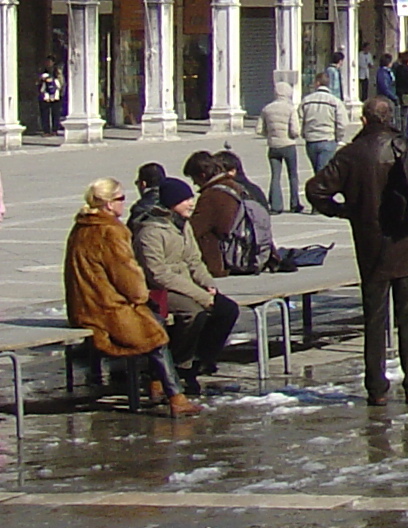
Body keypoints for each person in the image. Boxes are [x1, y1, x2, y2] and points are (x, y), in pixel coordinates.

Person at [305, 98, 408, 406]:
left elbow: (315, 189)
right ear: (390, 118)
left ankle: (376, 387)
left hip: (372, 244)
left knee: (375, 318)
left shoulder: (351, 154)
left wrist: (343, 210)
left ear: (364, 120)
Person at [64, 178, 198, 414]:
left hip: (83, 305)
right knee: (155, 331)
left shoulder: (81, 226)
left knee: (154, 322)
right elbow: (127, 276)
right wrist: (140, 297)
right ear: (107, 204)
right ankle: (175, 396)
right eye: (120, 199)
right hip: (105, 307)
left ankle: (159, 384)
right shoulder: (111, 231)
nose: (124, 204)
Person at [132, 176, 239, 395]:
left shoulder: (183, 225)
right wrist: (200, 295)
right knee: (194, 312)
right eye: (185, 200)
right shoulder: (150, 231)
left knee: (227, 310)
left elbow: (194, 261)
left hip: (186, 285)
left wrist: (209, 286)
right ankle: (180, 364)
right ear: (172, 202)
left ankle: (200, 361)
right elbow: (158, 274)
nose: (191, 203)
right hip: (160, 291)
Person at [258, 84, 305, 216]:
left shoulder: (267, 109)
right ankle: (294, 203)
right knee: (293, 175)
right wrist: (292, 135)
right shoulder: (290, 109)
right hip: (288, 145)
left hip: (273, 146)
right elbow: (295, 131)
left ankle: (275, 205)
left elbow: (259, 130)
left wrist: (270, 134)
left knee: (275, 176)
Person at [299, 73, 347, 183]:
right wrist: (338, 137)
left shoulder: (307, 100)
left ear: (317, 83)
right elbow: (342, 123)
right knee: (323, 173)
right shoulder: (335, 102)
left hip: (311, 140)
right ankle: (321, 195)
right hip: (328, 139)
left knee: (317, 172)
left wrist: (304, 134)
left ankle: (318, 194)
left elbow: (300, 119)